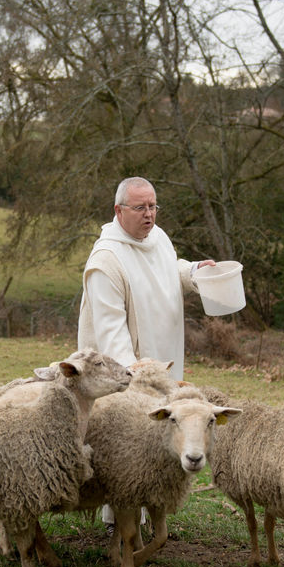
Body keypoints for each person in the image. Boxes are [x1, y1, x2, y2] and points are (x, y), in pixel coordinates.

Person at [77, 175, 216, 530]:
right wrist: (134, 375)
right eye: (140, 207)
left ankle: (154, 508)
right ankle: (121, 520)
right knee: (126, 442)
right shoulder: (106, 260)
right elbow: (109, 327)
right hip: (130, 368)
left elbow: (168, 268)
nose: (149, 214)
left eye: (153, 206)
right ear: (118, 210)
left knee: (161, 434)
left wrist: (194, 272)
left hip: (163, 355)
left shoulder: (158, 237)